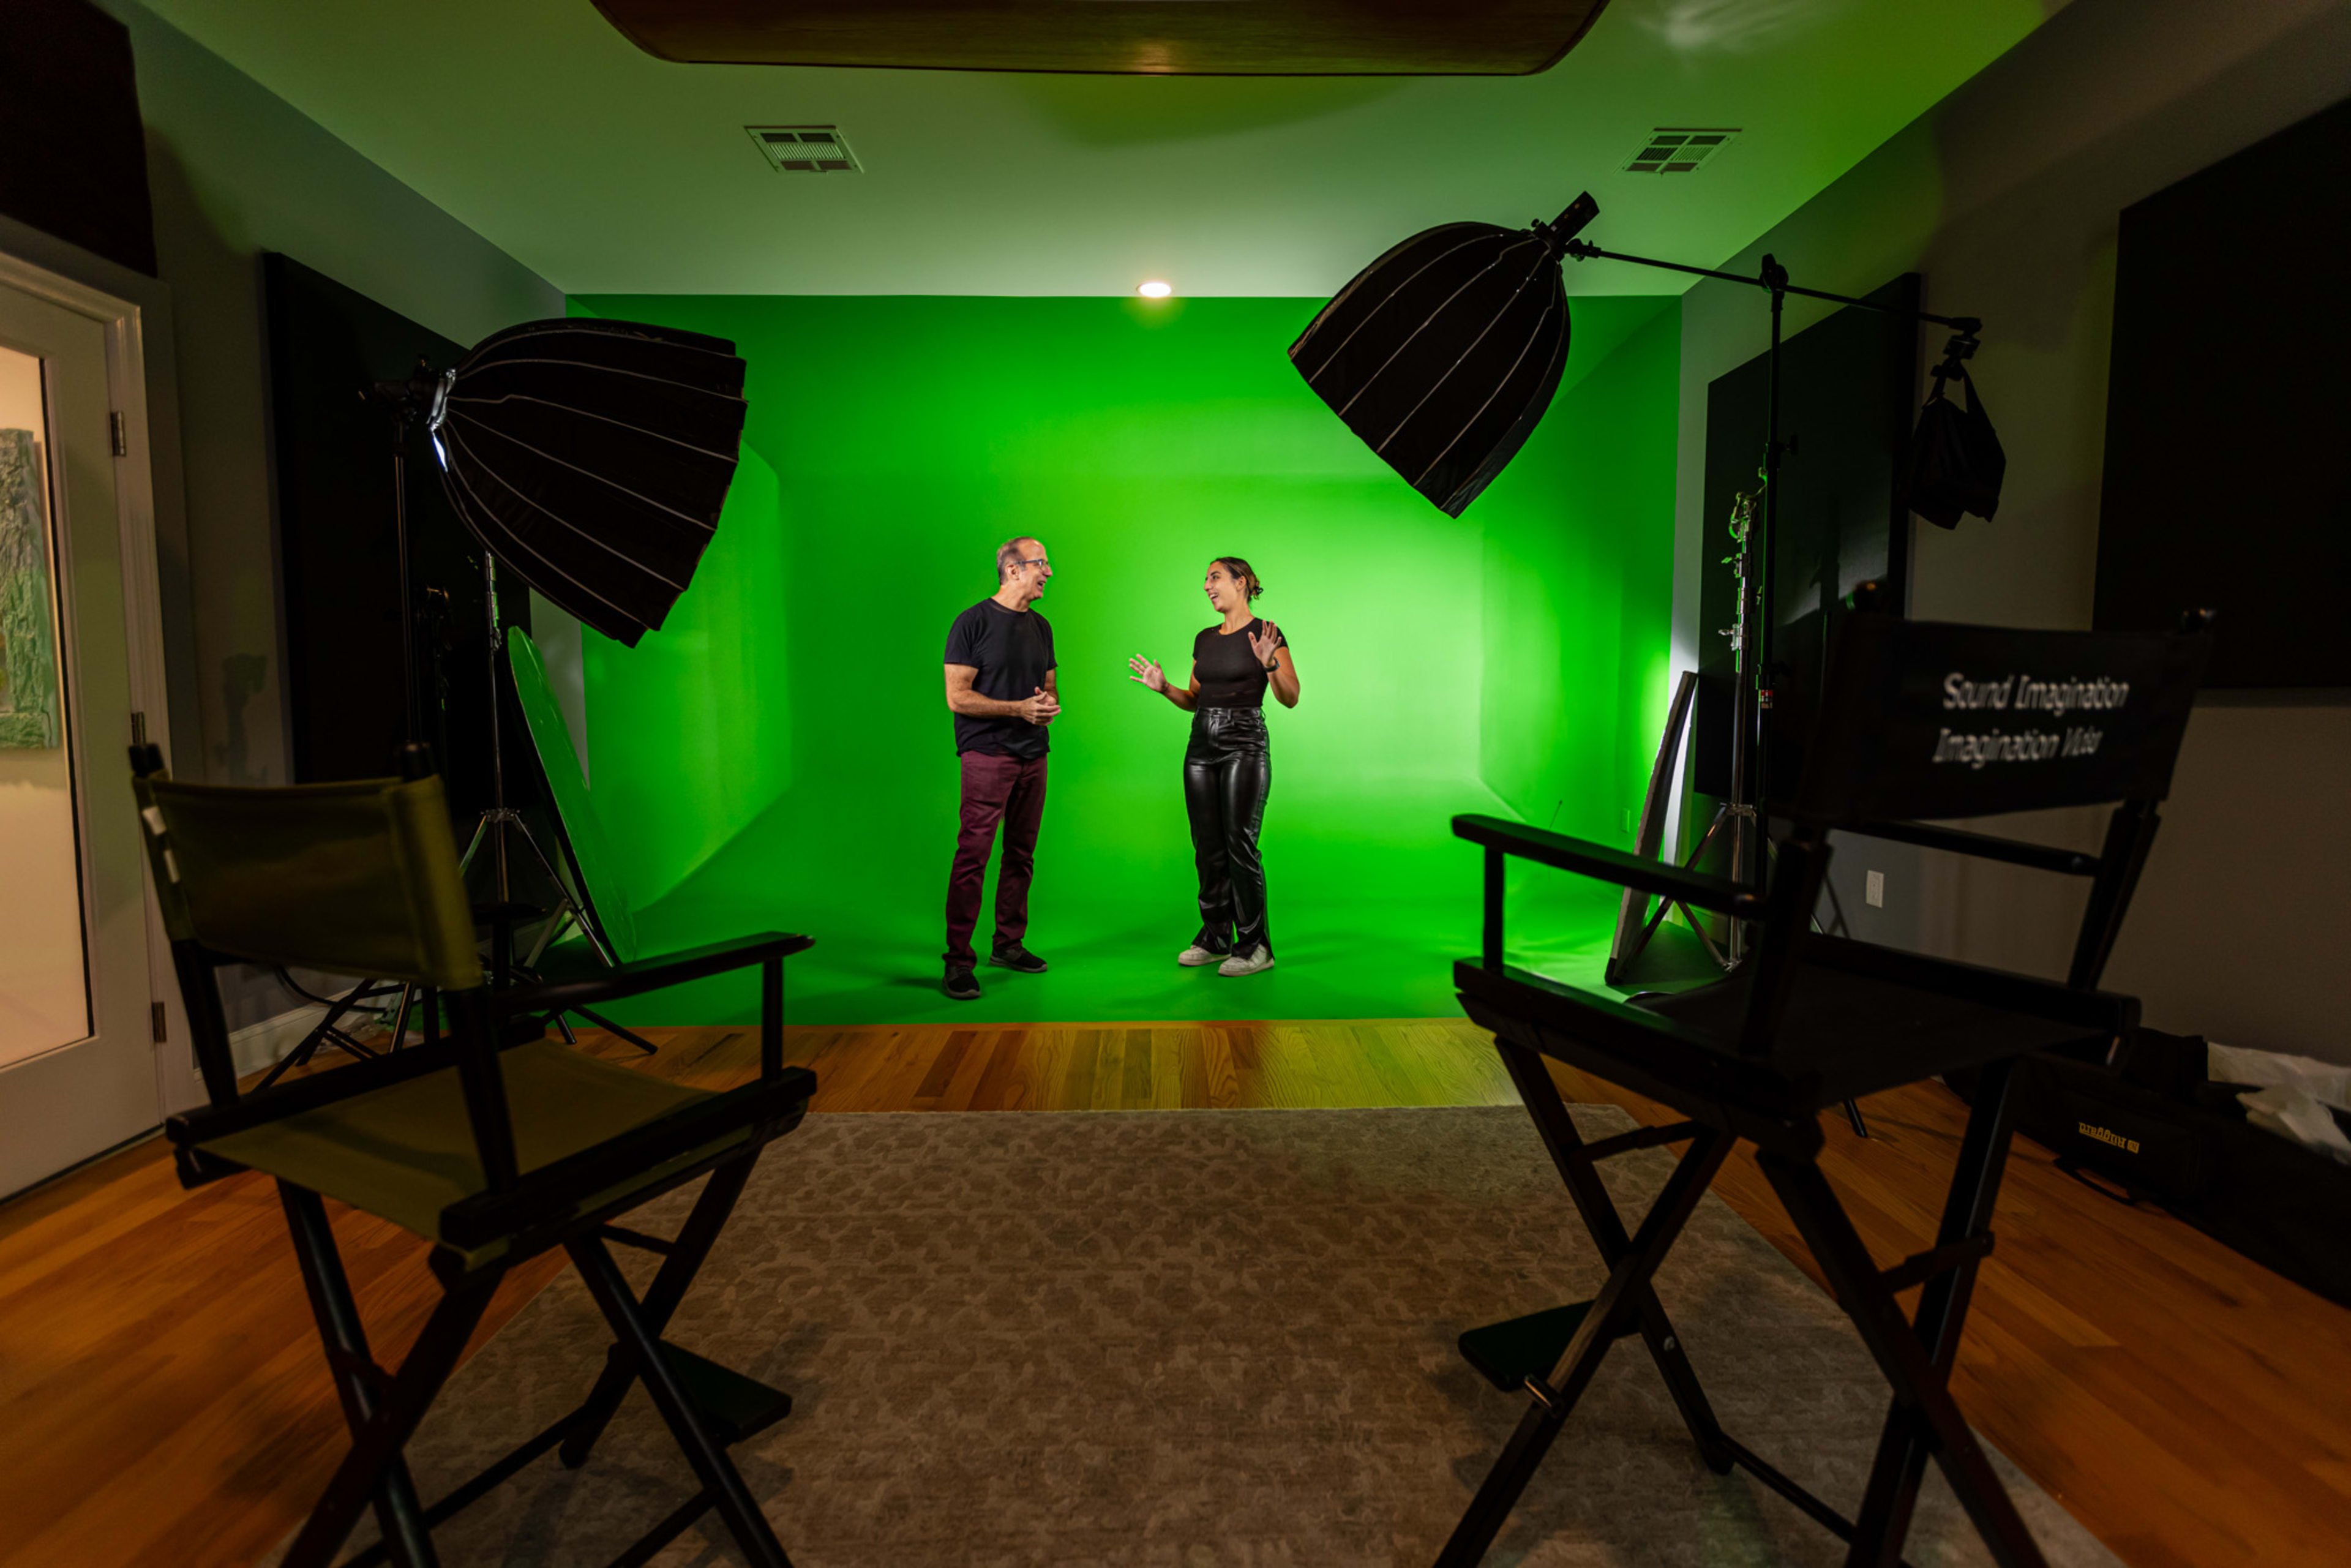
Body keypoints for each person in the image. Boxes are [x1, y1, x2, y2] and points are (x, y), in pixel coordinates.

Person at [1125, 555, 1299, 977]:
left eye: (1215, 577)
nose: (1207, 585)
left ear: (1241, 583)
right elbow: (1195, 700)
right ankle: (1217, 937)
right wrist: (1164, 688)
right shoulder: (1204, 639)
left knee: (1240, 842)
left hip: (1245, 741)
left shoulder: (1267, 633)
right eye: (1205, 579)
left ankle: (1256, 946)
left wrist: (1269, 662)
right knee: (1207, 845)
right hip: (1202, 743)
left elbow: (1291, 697)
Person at [940, 537, 1060, 1000]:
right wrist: (1017, 709)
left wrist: (1045, 705)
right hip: (987, 754)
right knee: (973, 856)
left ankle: (1008, 945)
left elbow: (1049, 685)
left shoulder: (1042, 627)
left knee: (1021, 855)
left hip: (1034, 754)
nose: (1049, 572)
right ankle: (957, 961)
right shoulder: (971, 623)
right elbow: (958, 697)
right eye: (1041, 564)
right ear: (1013, 570)